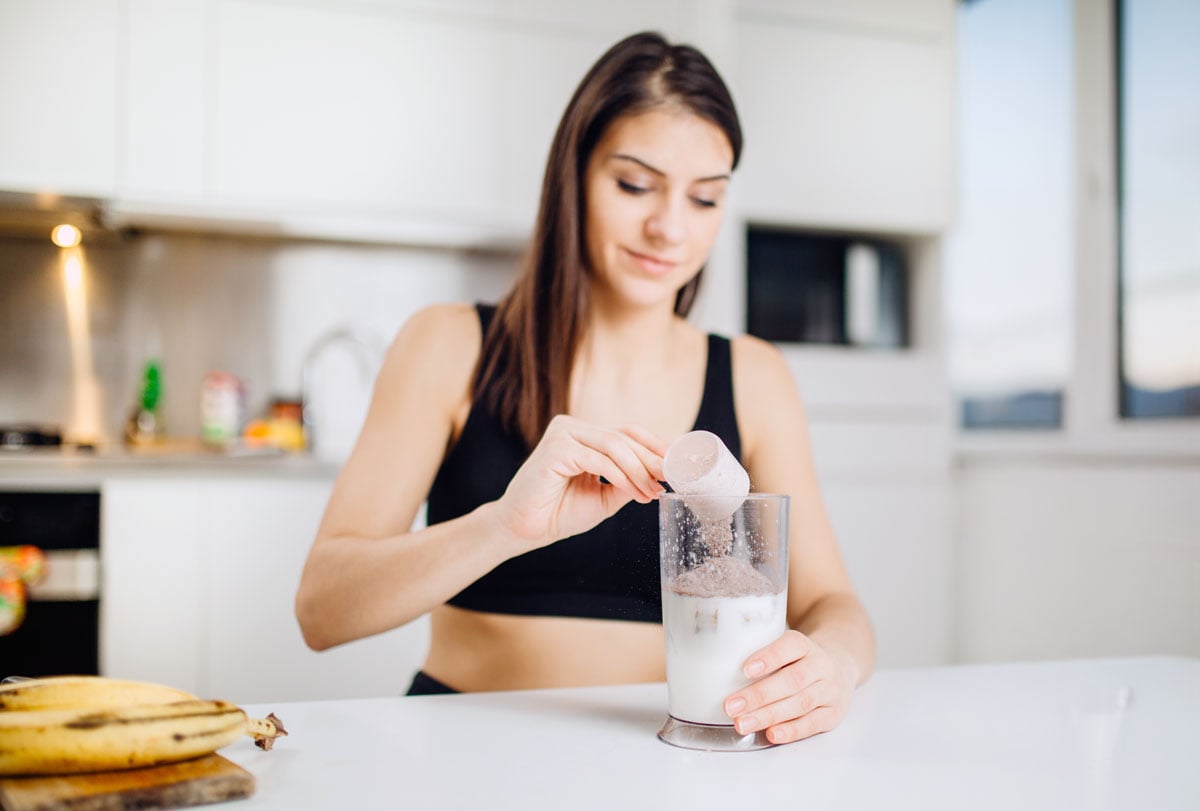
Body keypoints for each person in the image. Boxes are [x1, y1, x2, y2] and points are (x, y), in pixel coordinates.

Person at [295, 30, 875, 745]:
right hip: (460, 754)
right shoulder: (449, 346)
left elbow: (833, 603)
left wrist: (834, 665)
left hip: (669, 759)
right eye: (635, 185)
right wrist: (504, 525)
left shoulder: (754, 375)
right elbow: (321, 608)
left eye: (704, 199)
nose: (669, 228)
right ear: (574, 176)